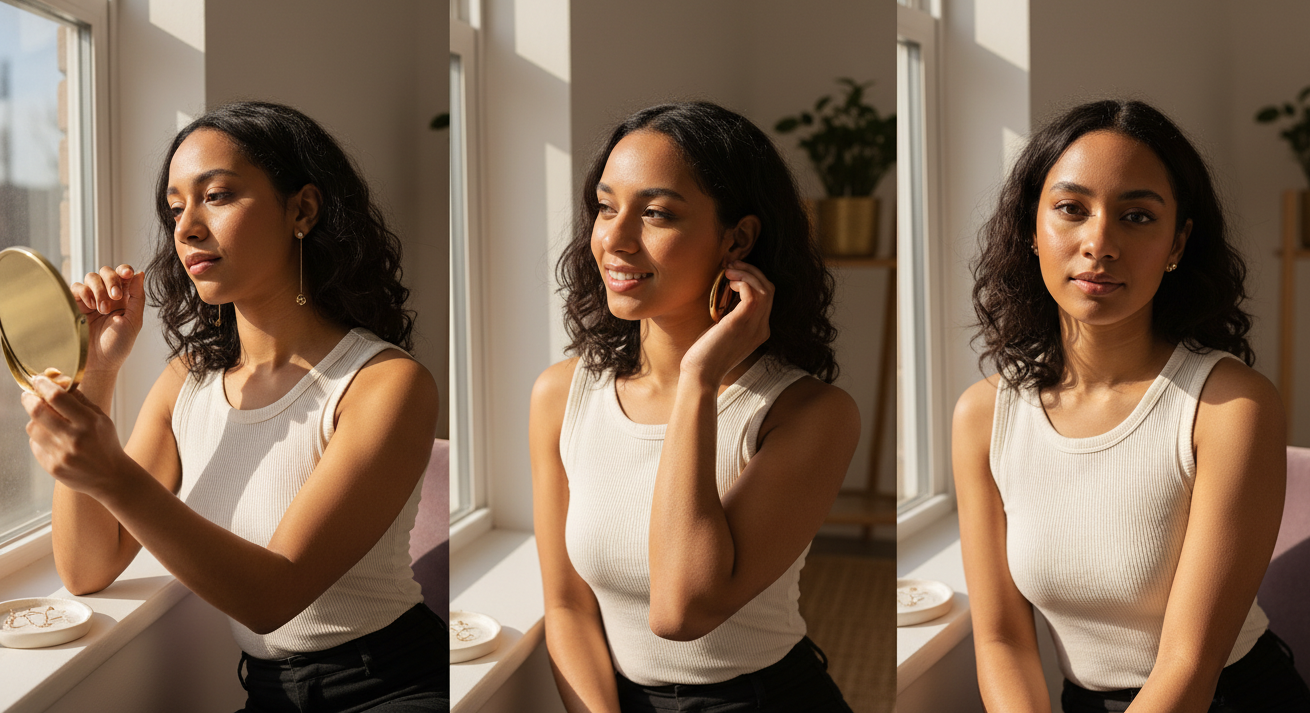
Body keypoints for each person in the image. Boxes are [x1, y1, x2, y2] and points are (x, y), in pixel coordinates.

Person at [22, 101, 450, 711]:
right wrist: (98, 370)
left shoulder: (386, 385)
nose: (186, 228)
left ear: (301, 209)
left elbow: (271, 598)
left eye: (216, 196)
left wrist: (113, 471)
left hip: (390, 685)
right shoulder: (187, 384)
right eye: (175, 209)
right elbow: (87, 568)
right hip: (268, 694)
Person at [954, 99, 1310, 712]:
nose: (1099, 243)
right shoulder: (984, 416)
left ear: (1178, 243)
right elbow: (1001, 640)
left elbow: (1190, 664)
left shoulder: (1230, 406)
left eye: (1137, 217)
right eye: (1071, 209)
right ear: (1031, 227)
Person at [529, 101, 860, 712]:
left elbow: (683, 608)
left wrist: (699, 380)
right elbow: (567, 607)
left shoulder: (810, 414)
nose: (616, 238)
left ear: (737, 239)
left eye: (655, 213)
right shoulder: (562, 396)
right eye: (606, 207)